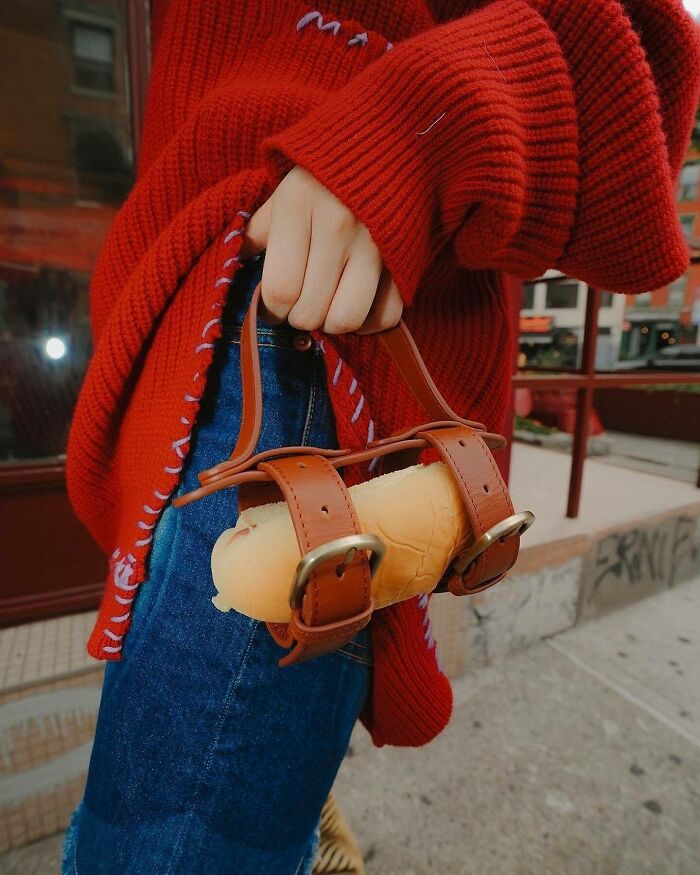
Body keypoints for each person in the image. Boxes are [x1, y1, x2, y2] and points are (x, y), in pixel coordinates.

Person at [64, 2, 700, 872]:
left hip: (316, 328)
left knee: (159, 847)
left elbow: (646, 63)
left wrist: (426, 121)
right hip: (183, 306)